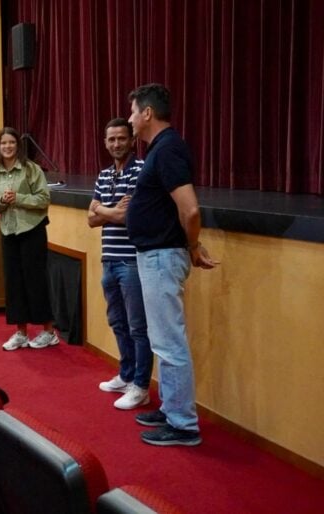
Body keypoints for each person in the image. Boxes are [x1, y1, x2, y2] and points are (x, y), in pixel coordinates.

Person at [126, 83, 218, 446]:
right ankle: (170, 409)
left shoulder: (168, 150)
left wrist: (193, 246)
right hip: (156, 254)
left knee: (169, 342)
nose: (130, 119)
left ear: (147, 113)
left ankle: (182, 424)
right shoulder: (160, 150)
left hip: (163, 256)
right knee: (161, 339)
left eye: (133, 112)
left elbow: (190, 208)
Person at [88, 118, 153, 410]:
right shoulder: (103, 175)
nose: (116, 144)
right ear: (105, 143)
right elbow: (91, 220)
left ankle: (141, 386)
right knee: (118, 322)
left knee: (138, 327)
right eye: (111, 139)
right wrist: (109, 211)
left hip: (131, 261)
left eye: (121, 139)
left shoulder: (140, 171)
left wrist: (103, 210)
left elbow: (125, 216)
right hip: (109, 260)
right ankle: (126, 376)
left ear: (131, 140)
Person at [0, 127, 58, 351]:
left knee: (36, 282)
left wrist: (19, 198)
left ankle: (48, 331)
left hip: (32, 230)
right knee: (14, 283)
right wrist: (2, 202)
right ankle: (21, 333)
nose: (7, 147)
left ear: (18, 146)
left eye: (11, 143)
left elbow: (44, 199)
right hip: (8, 232)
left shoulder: (31, 169)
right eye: (3, 143)